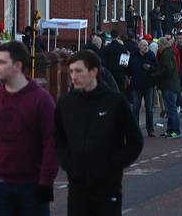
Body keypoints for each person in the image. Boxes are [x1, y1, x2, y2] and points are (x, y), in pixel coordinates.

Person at [0, 41, 58, 215]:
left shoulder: (41, 99)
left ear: (17, 66)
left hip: (32, 185)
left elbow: (51, 143)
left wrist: (46, 181)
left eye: (1, 62)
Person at [54, 50, 144, 216]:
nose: (74, 76)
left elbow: (135, 140)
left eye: (79, 71)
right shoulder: (66, 103)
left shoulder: (115, 101)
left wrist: (114, 164)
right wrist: (68, 163)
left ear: (94, 71)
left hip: (107, 186)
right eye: (71, 71)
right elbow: (58, 139)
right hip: (77, 185)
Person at [127, 38, 158, 137]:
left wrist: (150, 68)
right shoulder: (133, 55)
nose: (146, 47)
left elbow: (157, 67)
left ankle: (150, 129)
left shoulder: (151, 55)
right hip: (136, 85)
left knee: (149, 108)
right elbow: (128, 69)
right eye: (144, 45)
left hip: (148, 85)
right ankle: (135, 130)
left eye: (147, 45)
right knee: (136, 108)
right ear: (139, 46)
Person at [156, 35, 182, 138]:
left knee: (171, 109)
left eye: (159, 45)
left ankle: (175, 131)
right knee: (170, 109)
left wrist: (156, 74)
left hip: (168, 86)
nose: (158, 47)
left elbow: (167, 69)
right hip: (172, 85)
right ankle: (170, 130)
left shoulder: (166, 54)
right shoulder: (170, 52)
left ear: (163, 45)